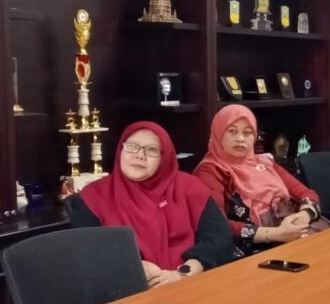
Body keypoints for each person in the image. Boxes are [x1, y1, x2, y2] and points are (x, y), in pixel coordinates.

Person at [67, 121, 233, 288]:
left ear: (164, 157)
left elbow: (219, 238)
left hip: (191, 283)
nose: (140, 155)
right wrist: (137, 267)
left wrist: (184, 273)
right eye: (132, 147)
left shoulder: (190, 188)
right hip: (128, 288)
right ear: (120, 150)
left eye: (151, 150)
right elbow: (91, 252)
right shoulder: (92, 197)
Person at [194, 104, 320, 257]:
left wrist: (304, 216)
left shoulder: (264, 163)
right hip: (250, 251)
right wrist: (276, 234)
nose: (240, 139)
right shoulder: (210, 171)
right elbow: (218, 225)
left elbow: (307, 194)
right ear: (218, 133)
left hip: (291, 236)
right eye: (232, 131)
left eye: (247, 133)